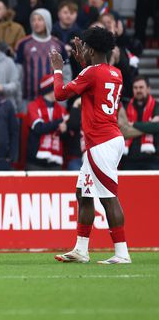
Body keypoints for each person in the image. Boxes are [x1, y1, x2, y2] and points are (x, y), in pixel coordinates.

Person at [51, 26, 131, 264]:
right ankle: (81, 250)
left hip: (101, 142)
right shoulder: (115, 72)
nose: (81, 48)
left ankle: (122, 253)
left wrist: (58, 69)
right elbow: (92, 80)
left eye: (85, 46)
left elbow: (60, 94)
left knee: (108, 197)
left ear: (92, 49)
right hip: (108, 138)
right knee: (83, 193)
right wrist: (83, 64)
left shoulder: (91, 73)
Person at [25, 74, 68, 170]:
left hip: (55, 162)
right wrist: (58, 123)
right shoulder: (33, 106)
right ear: (49, 89)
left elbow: (66, 137)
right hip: (35, 162)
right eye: (57, 87)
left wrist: (64, 131)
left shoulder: (62, 109)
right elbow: (39, 128)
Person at [122, 76, 159, 170]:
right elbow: (122, 131)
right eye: (135, 88)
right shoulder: (125, 107)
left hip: (152, 159)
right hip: (128, 159)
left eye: (141, 87)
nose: (138, 90)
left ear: (148, 89)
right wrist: (149, 125)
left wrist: (133, 125)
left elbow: (157, 127)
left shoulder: (156, 106)